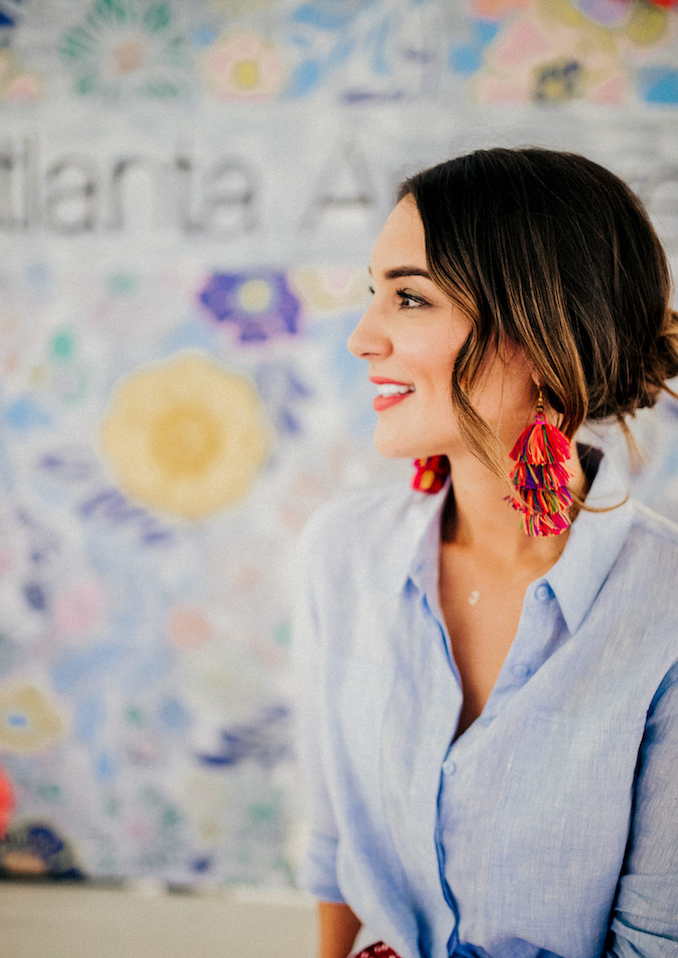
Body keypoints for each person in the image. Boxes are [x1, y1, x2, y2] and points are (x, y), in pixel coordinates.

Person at [292, 147, 678, 958]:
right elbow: (335, 847)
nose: (363, 337)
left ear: (543, 333)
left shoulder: (665, 606)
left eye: (409, 297)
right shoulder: (343, 555)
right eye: (375, 294)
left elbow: (656, 939)